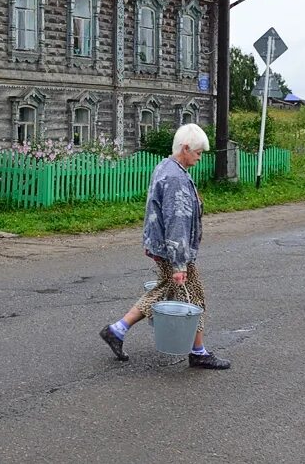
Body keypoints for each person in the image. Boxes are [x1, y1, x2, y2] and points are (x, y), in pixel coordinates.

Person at [98, 123, 231, 369]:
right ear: (185, 148)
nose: (200, 158)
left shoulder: (167, 167)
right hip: (174, 250)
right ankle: (198, 352)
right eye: (198, 153)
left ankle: (117, 330)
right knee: (195, 299)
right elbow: (176, 221)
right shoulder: (176, 178)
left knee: (162, 290)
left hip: (163, 247)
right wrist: (180, 264)